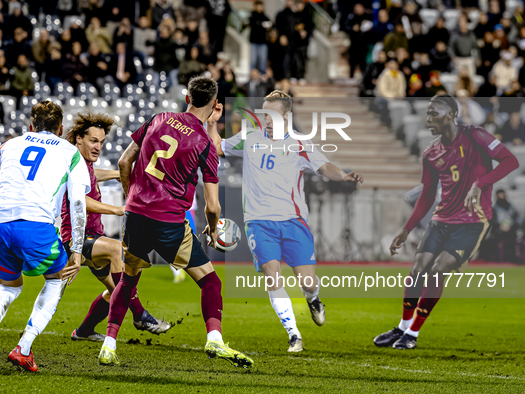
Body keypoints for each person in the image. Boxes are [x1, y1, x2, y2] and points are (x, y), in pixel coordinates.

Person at [98, 76, 253, 368]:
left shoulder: (158, 118)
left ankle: (108, 344)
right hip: (169, 222)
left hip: (135, 215)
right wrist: (212, 226)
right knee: (210, 281)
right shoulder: (204, 143)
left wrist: (132, 197)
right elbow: (212, 204)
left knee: (128, 280)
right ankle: (215, 339)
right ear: (214, 104)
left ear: (188, 98)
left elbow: (122, 163)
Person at [209, 90, 363, 352]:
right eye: (265, 114)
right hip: (258, 221)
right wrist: (212, 122)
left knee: (308, 282)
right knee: (272, 274)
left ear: (287, 116)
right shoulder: (249, 137)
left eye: (274, 115)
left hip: (293, 221)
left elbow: (325, 167)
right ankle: (294, 334)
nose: (268, 120)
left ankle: (313, 300)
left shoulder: (300, 144)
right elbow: (217, 146)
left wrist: (344, 176)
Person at [375, 94, 519, 350]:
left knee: (437, 270)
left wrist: (481, 183)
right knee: (417, 270)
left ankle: (413, 334)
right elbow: (428, 194)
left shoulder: (477, 136)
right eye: (427, 113)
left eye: (434, 113)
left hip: (473, 221)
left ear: (452, 115)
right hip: (440, 220)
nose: (428, 118)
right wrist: (406, 229)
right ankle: (402, 327)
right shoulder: (431, 152)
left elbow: (511, 160)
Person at [0, 101, 91, 372]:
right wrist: (76, 250)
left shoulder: (11, 144)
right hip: (36, 226)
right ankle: (24, 348)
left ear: (31, 126)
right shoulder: (71, 153)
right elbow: (78, 204)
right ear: (61, 128)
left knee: (9, 286)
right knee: (58, 279)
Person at [61, 111, 171, 342]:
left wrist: (116, 174)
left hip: (93, 236)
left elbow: (93, 176)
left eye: (101, 142)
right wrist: (117, 209)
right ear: (78, 138)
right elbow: (79, 200)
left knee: (117, 293)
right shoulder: (73, 161)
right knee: (119, 251)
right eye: (93, 140)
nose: (98, 146)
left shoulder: (84, 163)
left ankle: (83, 331)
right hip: (77, 239)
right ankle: (140, 315)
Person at [249, 0, 271, 73]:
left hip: (263, 42)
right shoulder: (252, 16)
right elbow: (252, 24)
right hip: (254, 42)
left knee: (263, 61)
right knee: (253, 60)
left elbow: (270, 25)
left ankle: (263, 77)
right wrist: (261, 24)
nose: (260, 8)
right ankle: (253, 76)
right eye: (258, 6)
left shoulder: (265, 17)